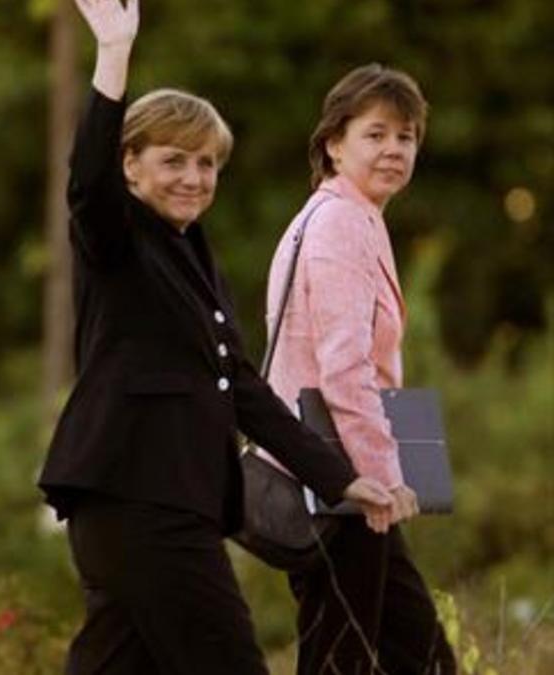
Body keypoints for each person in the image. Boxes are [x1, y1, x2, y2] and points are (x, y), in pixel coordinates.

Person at [36, 2, 400, 673]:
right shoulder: (114, 243)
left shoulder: (191, 254)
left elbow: (246, 391)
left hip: (158, 507)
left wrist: (343, 479)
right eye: (173, 160)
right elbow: (85, 183)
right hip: (143, 504)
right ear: (130, 165)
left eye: (207, 164)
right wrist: (113, 56)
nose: (193, 178)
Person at [264, 63, 456, 675]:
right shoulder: (340, 225)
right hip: (342, 483)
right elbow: (344, 369)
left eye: (406, 136)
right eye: (375, 134)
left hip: (345, 480)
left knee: (416, 654)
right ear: (333, 143)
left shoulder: (351, 218)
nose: (394, 150)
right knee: (342, 659)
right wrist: (384, 478)